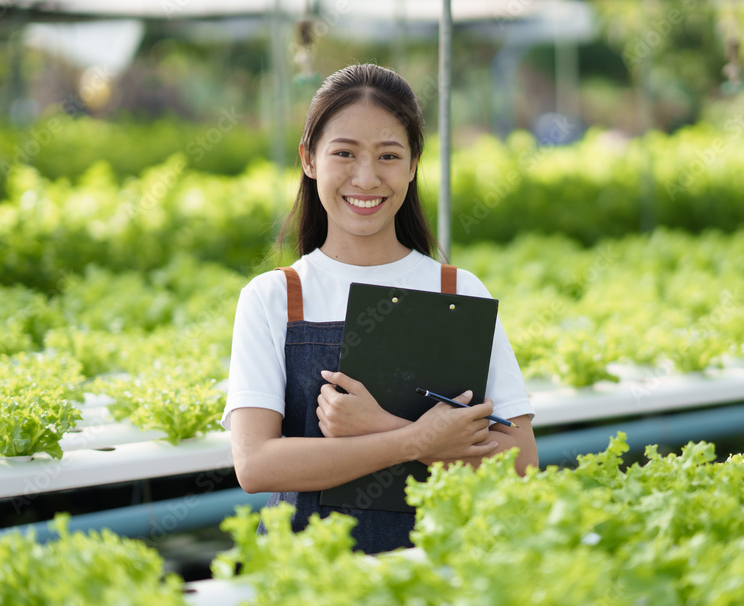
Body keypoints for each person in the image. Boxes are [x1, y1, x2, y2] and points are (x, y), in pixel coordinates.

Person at [221, 63, 537, 554]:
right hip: (307, 575)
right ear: (309, 159)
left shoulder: (457, 290)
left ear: (412, 165)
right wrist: (415, 442)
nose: (366, 178)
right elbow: (257, 464)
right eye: (344, 153)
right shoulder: (274, 296)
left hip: (436, 568)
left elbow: (520, 461)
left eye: (388, 155)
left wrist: (380, 425)